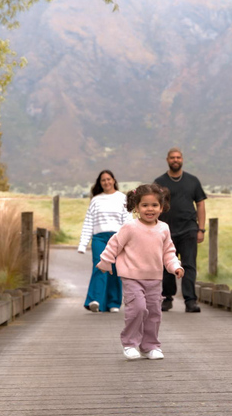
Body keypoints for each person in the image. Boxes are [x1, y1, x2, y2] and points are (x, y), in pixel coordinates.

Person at [96, 183, 184, 360]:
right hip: (131, 277)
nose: (149, 209)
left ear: (161, 207)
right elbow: (114, 244)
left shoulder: (164, 228)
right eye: (145, 205)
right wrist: (106, 262)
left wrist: (175, 266)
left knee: (153, 313)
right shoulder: (130, 227)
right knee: (137, 309)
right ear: (136, 207)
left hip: (154, 279)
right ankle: (129, 344)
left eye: (154, 205)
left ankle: (150, 345)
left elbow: (168, 252)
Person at [154, 147, 206, 313]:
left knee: (189, 265)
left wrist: (201, 229)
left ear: (182, 159)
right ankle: (167, 298)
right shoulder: (159, 182)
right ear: (167, 160)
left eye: (178, 157)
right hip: (166, 231)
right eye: (172, 158)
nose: (175, 160)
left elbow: (200, 204)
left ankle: (190, 301)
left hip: (189, 229)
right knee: (167, 266)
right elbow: (153, 205)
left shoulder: (193, 181)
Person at [78, 170, 132, 313]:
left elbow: (128, 222)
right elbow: (89, 222)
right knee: (100, 266)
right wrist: (83, 244)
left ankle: (113, 303)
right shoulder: (96, 200)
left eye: (109, 179)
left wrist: (128, 242)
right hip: (99, 238)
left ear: (114, 180)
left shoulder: (123, 199)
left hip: (117, 238)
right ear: (100, 183)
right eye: (103, 180)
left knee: (115, 269)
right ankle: (96, 300)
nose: (106, 182)